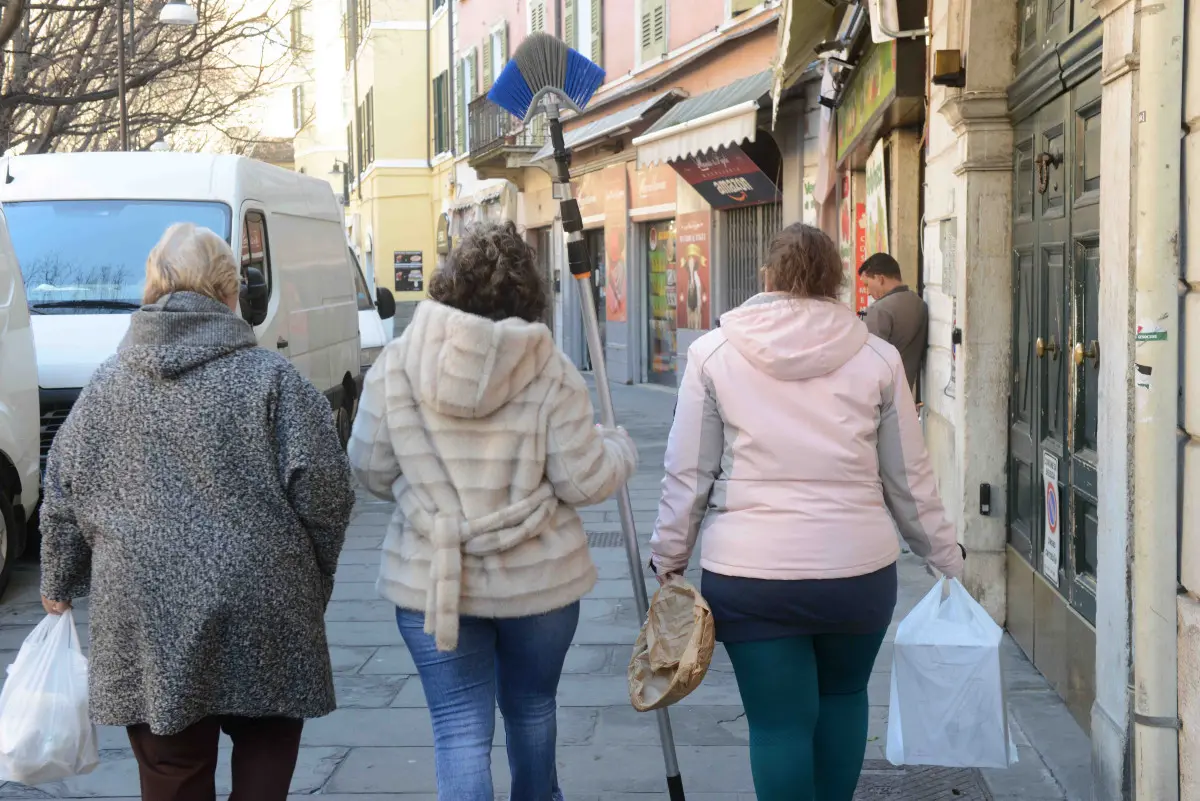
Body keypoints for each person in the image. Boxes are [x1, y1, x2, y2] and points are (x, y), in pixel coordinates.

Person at [39, 223, 355, 801]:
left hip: (146, 609)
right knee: (264, 759)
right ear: (230, 291)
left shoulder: (104, 386)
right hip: (266, 599)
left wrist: (59, 580)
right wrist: (316, 574)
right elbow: (327, 492)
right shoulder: (275, 381)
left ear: (151, 288)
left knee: (171, 772)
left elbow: (62, 491)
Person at [650, 223, 964, 801]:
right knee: (845, 699)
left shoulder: (713, 352)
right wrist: (945, 555)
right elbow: (908, 478)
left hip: (751, 573)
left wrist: (670, 556)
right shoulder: (878, 357)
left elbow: (688, 470)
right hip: (857, 571)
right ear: (838, 280)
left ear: (767, 277)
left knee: (776, 723)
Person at [347, 221, 637, 801]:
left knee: (458, 729)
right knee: (532, 710)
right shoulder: (550, 369)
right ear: (530, 294)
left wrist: (421, 492)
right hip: (537, 576)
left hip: (437, 576)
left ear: (449, 283)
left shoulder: (399, 364)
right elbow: (584, 480)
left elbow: (370, 468)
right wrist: (620, 446)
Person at [858, 252, 928, 393]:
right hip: (905, 395)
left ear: (880, 279)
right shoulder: (919, 304)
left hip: (880, 398)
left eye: (867, 285)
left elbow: (868, 362)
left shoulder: (878, 310)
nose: (867, 292)